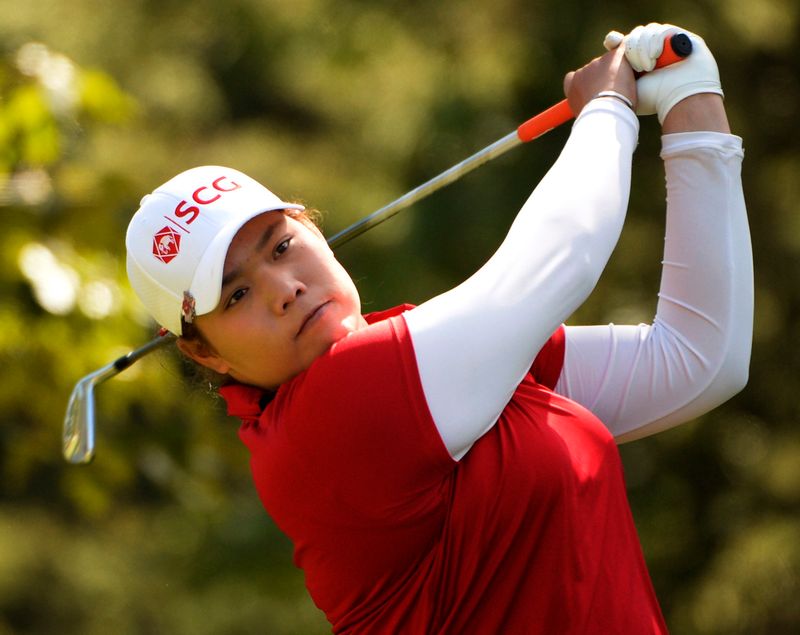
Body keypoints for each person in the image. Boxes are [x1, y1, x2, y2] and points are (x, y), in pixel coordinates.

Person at [125, 23, 752, 635]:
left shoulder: (423, 355)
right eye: (236, 293)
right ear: (205, 354)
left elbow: (699, 360)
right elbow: (560, 257)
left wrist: (692, 105)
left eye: (282, 244)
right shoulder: (328, 416)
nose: (283, 289)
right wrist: (608, 109)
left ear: (314, 227)